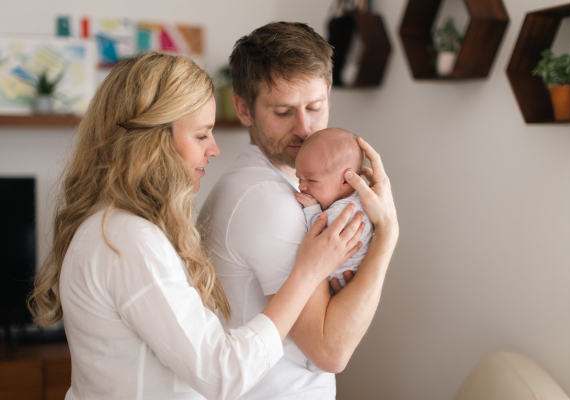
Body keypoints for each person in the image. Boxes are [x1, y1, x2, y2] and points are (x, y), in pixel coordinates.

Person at [27, 51, 365, 400]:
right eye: (202, 136)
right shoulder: (128, 241)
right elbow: (222, 373)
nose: (215, 149)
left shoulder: (119, 229)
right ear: (154, 142)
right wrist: (308, 272)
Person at [198, 22, 399, 399]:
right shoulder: (268, 199)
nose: (305, 128)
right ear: (243, 109)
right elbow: (331, 350)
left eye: (314, 107)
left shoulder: (288, 187)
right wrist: (387, 234)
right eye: (283, 112)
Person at [294, 127, 373, 288]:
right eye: (299, 178)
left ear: (345, 181)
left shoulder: (345, 211)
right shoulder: (357, 197)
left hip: (339, 285)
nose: (302, 186)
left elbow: (321, 240)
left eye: (311, 180)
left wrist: (312, 210)